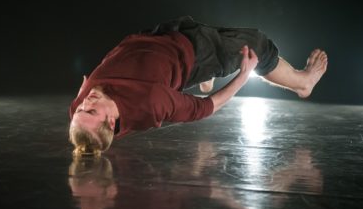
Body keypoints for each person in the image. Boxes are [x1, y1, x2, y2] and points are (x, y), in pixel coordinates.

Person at [69, 16, 328, 156]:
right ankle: (302, 83)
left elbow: (83, 110)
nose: (85, 104)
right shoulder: (151, 101)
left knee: (208, 36)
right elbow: (207, 107)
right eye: (91, 111)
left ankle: (205, 76)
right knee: (257, 44)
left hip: (154, 37)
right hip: (191, 53)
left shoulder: (80, 109)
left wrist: (84, 105)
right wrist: (243, 75)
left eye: (80, 110)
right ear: (112, 120)